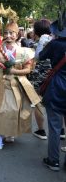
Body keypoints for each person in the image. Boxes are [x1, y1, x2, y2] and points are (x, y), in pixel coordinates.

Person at [0, 22, 41, 150]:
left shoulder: (24, 51)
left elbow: (27, 70)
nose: (8, 36)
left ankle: (9, 132)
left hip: (15, 85)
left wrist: (14, 71)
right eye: (6, 33)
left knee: (13, 110)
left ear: (17, 34)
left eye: (11, 33)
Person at [39, 19, 66, 171]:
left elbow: (40, 56)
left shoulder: (55, 44)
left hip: (57, 87)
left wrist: (47, 42)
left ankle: (53, 160)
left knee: (55, 127)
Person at [26, 19, 52, 140]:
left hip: (37, 78)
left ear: (36, 31)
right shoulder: (55, 43)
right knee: (57, 104)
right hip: (53, 77)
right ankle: (62, 130)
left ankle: (41, 130)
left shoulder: (33, 45)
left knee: (37, 102)